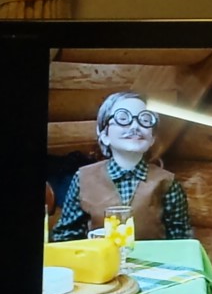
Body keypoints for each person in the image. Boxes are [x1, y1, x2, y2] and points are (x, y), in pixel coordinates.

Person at [51, 91, 192, 241]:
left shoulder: (167, 183)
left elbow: (181, 239)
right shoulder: (83, 179)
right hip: (100, 257)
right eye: (123, 118)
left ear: (152, 139)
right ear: (104, 135)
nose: (135, 126)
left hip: (154, 257)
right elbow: (66, 236)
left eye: (145, 120)